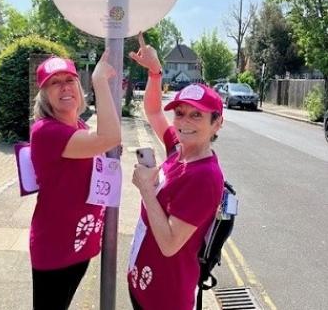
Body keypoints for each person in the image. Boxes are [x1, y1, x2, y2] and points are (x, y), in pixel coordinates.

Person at [127, 33, 224, 310]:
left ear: (217, 124)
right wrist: (156, 73)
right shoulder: (178, 149)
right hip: (143, 281)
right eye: (180, 113)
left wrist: (146, 189)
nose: (184, 122)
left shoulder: (205, 177)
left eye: (196, 115)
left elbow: (170, 244)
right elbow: (155, 111)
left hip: (165, 297)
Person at [30, 51, 121, 310]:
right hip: (56, 249)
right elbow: (109, 137)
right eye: (54, 82)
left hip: (80, 241)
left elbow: (102, 141)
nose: (64, 87)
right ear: (45, 94)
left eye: (69, 80)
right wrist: (100, 81)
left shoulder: (79, 127)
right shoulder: (46, 131)